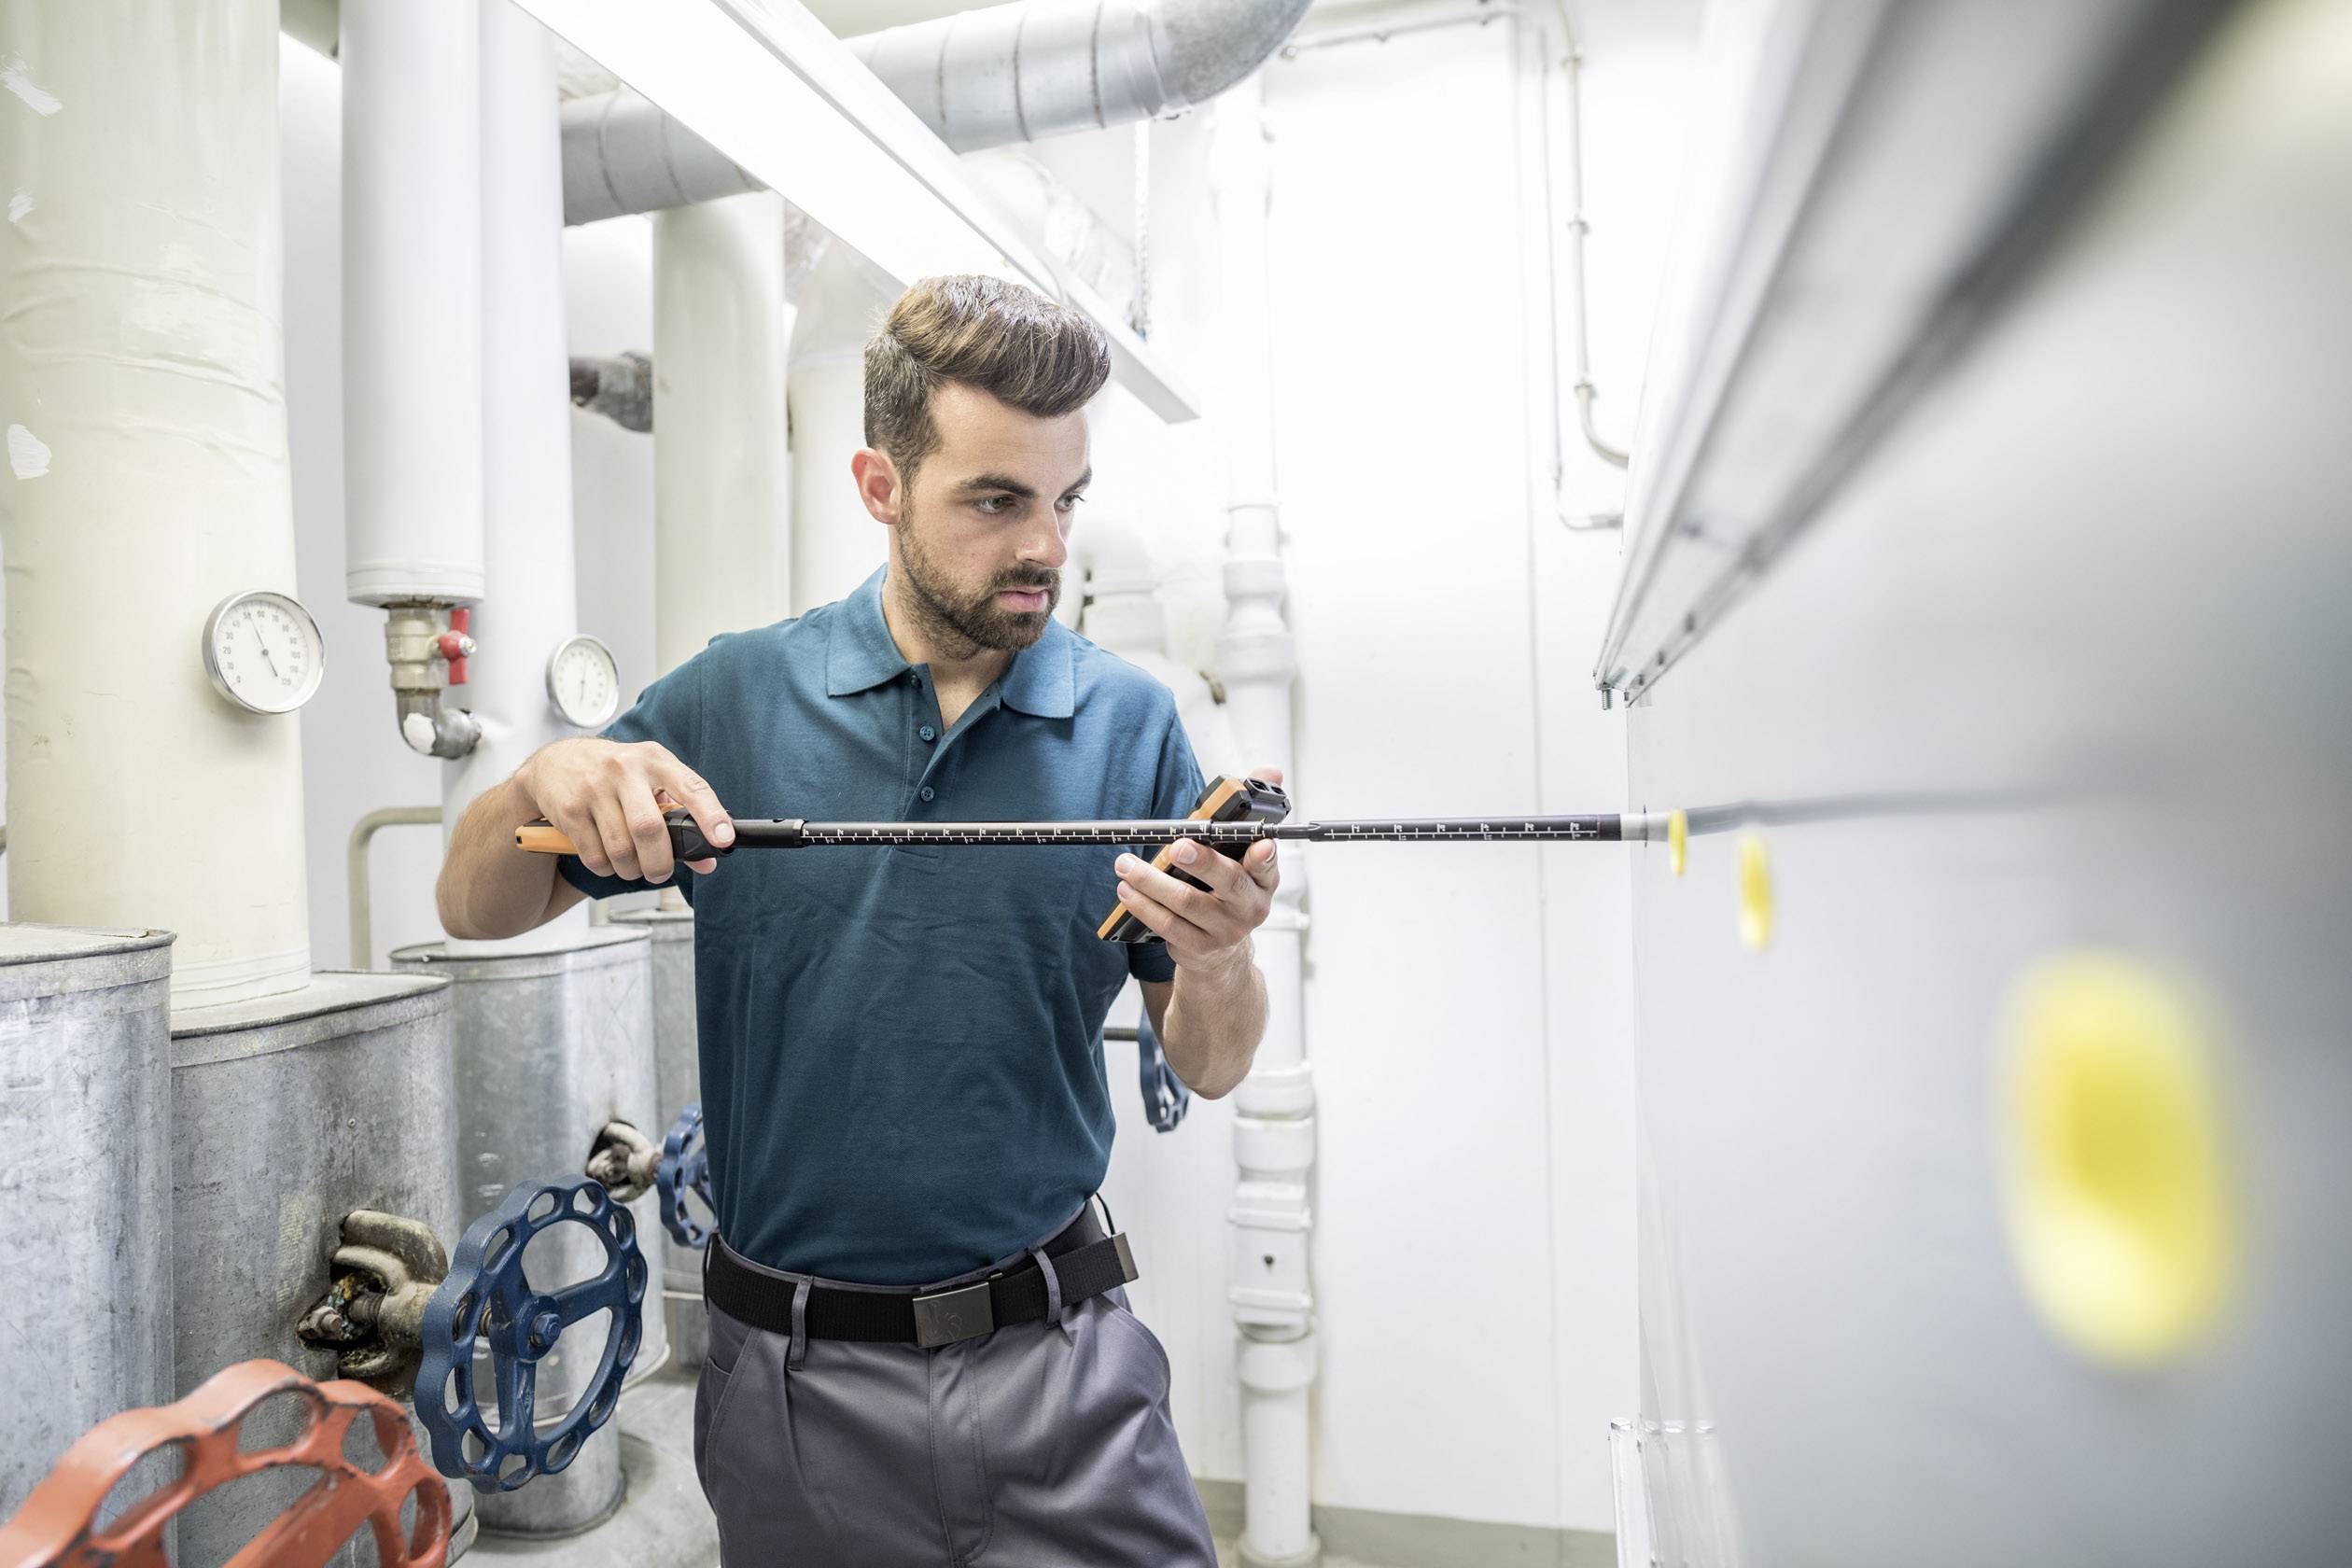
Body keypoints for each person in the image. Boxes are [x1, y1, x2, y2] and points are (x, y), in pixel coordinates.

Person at [436, 273, 1278, 1565]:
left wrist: (1220, 956)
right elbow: (473, 905)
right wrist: (536, 783)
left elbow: (1210, 1065)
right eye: (996, 501)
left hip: (1068, 1371)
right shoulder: (735, 698)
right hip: (796, 1396)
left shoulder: (1131, 725)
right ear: (881, 487)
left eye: (1064, 501)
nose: (1044, 545)